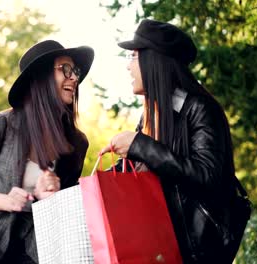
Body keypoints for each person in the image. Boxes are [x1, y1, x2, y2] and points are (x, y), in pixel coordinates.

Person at [101, 20, 248, 263]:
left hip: (199, 251)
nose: (128, 67)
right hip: (161, 248)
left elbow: (206, 175)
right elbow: (145, 169)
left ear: (155, 61)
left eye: (134, 56)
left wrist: (139, 145)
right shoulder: (152, 115)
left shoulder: (200, 108)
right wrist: (100, 180)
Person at [0, 40, 94, 263]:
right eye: (65, 69)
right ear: (40, 78)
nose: (75, 78)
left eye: (75, 71)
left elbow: (67, 211)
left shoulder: (77, 143)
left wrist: (54, 196)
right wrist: (5, 200)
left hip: (43, 252)